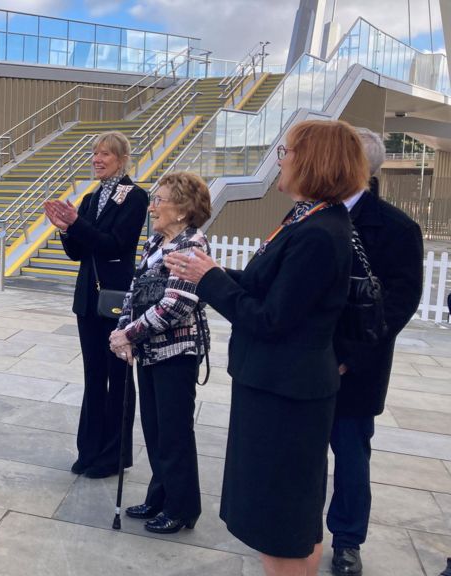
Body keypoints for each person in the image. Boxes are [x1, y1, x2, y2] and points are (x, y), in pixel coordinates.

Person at [167, 119, 363, 576]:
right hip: (278, 386)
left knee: (280, 523)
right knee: (292, 518)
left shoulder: (319, 232)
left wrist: (209, 279)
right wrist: (211, 271)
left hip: (285, 394)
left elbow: (271, 319)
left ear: (313, 160)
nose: (281, 159)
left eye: (287, 151)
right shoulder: (307, 219)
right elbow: (268, 290)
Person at [327, 129, 424, 576]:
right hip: (306, 361)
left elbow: (398, 306)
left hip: (355, 367)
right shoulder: (308, 215)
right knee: (304, 453)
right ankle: (300, 527)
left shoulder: (398, 228)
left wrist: (349, 356)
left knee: (350, 454)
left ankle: (348, 540)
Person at [109, 171, 211, 534]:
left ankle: (183, 508)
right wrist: (122, 327)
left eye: (160, 200)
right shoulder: (155, 242)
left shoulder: (192, 247)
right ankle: (160, 495)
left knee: (174, 432)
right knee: (153, 428)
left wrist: (129, 335)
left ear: (182, 209)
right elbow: (133, 291)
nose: (152, 206)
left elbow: (176, 307)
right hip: (149, 351)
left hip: (176, 353)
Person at [43, 131, 148, 479]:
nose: (97, 159)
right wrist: (64, 229)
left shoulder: (135, 197)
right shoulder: (90, 197)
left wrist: (78, 225)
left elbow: (114, 245)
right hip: (88, 298)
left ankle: (113, 455)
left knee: (118, 377)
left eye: (105, 154)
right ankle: (88, 450)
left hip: (117, 299)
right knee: (93, 376)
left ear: (121, 159)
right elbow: (79, 253)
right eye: (95, 153)